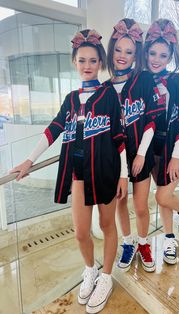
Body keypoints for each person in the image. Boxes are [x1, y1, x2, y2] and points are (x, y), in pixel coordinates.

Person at [10, 29, 128, 314]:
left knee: (108, 225)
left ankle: (107, 277)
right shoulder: (71, 99)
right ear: (74, 62)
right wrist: (29, 160)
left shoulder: (109, 95)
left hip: (107, 170)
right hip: (78, 172)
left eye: (92, 60)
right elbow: (53, 129)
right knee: (80, 232)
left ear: (100, 63)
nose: (87, 65)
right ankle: (90, 270)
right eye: (81, 60)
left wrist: (123, 175)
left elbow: (119, 138)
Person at [104, 18, 164, 273]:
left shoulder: (144, 80)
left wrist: (140, 154)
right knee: (120, 202)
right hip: (116, 159)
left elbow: (151, 120)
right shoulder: (104, 88)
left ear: (135, 55)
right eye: (118, 49)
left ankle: (143, 243)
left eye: (129, 52)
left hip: (141, 154)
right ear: (111, 50)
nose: (122, 56)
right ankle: (127, 243)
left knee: (140, 206)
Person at [144, 19, 179, 265]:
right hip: (154, 149)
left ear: (170, 57)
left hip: (177, 147)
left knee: (163, 196)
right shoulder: (143, 81)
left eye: (163, 55)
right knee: (162, 194)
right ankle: (169, 237)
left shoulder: (178, 80)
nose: (156, 59)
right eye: (153, 53)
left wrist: (176, 155)